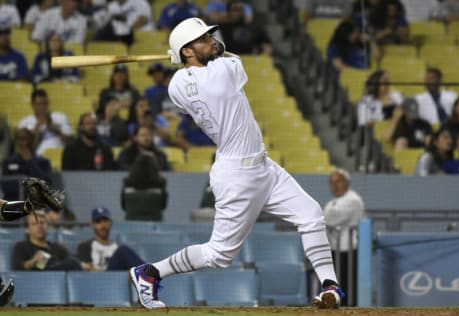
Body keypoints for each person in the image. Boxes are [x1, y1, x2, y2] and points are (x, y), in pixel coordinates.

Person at [128, 17, 344, 309]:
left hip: (263, 167)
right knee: (219, 255)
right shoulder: (223, 71)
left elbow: (201, 67)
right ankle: (150, 273)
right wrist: (199, 52)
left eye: (207, 36)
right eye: (202, 39)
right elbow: (226, 55)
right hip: (237, 175)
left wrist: (184, 56)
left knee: (311, 214)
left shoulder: (176, 84)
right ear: (188, 51)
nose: (211, 41)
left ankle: (330, 286)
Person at [323, 169, 366, 307]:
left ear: (347, 183)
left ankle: (349, 309)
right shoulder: (331, 203)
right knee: (336, 284)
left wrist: (319, 220)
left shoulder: (353, 200)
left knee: (348, 284)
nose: (335, 185)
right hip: (335, 250)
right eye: (332, 182)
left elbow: (333, 219)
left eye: (338, 182)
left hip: (350, 250)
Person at [11, 210, 83, 271]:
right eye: (34, 224)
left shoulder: (57, 247)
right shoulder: (21, 246)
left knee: (73, 262)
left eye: (42, 223)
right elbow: (17, 269)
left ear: (48, 226)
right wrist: (33, 261)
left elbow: (72, 262)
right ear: (27, 229)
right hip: (37, 279)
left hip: (57, 278)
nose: (39, 226)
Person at [76, 207, 144, 271]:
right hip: (98, 279)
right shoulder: (85, 246)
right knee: (123, 250)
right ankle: (149, 275)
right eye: (98, 221)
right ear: (92, 224)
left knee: (123, 250)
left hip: (117, 278)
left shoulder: (117, 247)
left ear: (110, 222)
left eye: (105, 221)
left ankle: (148, 276)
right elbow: (83, 271)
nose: (102, 225)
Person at [1, 128, 53, 201]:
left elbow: (46, 184)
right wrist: (27, 186)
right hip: (13, 201)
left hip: (35, 203)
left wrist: (30, 162)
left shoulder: (43, 161)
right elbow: (5, 186)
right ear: (16, 141)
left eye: (27, 139)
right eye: (21, 139)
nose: (24, 142)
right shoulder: (8, 162)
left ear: (31, 141)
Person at [17, 89, 73, 156]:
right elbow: (28, 150)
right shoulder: (24, 122)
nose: (43, 107)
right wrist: (37, 128)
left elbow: (70, 143)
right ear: (32, 105)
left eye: (45, 104)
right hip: (38, 158)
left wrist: (54, 129)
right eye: (39, 104)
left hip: (60, 155)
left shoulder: (61, 117)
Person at [121, 153, 168, 221]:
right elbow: (163, 206)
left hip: (131, 227)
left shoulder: (127, 184)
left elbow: (123, 206)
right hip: (154, 227)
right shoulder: (160, 184)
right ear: (154, 166)